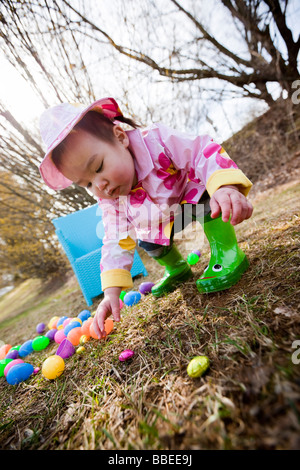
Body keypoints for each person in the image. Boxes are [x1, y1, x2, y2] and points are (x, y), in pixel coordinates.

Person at [39, 97, 253, 340]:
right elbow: (116, 239)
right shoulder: (111, 201)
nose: (100, 185)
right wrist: (111, 291)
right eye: (87, 184)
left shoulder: (158, 140)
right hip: (160, 222)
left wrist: (224, 186)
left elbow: (199, 150)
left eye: (98, 167)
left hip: (188, 196)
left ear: (120, 137)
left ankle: (226, 253)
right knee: (146, 240)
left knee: (204, 198)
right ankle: (177, 268)